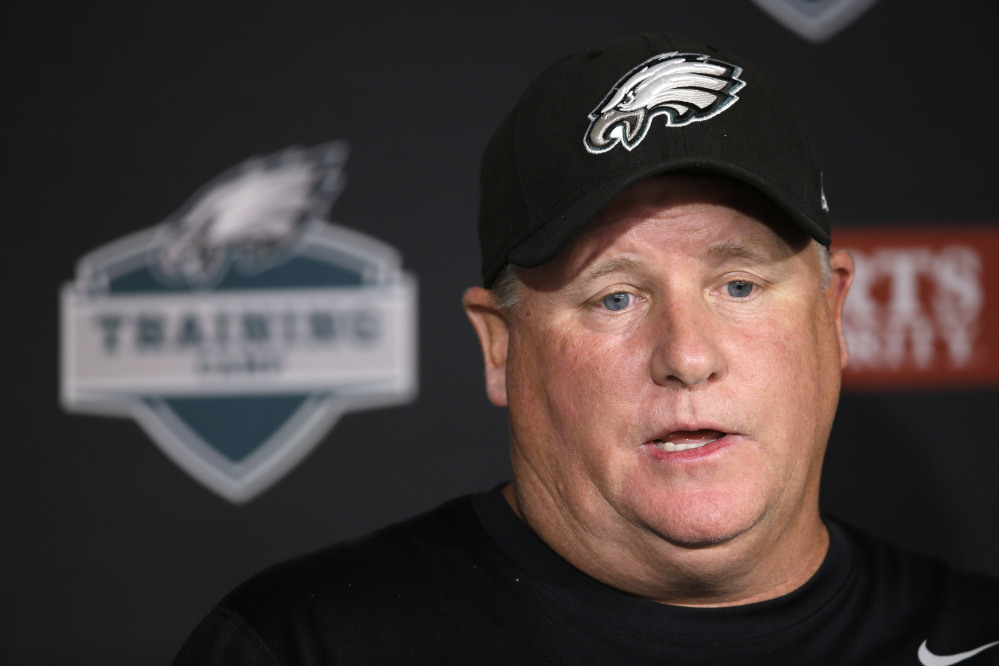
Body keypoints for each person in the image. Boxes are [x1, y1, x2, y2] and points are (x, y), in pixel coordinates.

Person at [174, 33, 999, 665]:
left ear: (834, 313)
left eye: (738, 286)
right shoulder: (304, 647)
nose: (686, 354)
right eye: (614, 297)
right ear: (500, 347)